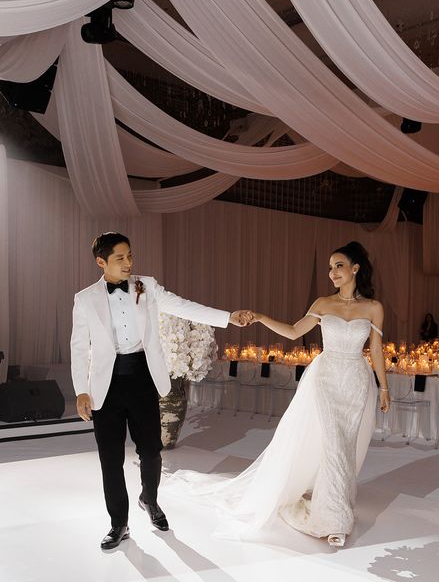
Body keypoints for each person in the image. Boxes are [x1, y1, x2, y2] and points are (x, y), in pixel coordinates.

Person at [167, 241, 390, 548]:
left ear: (355, 268)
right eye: (329, 267)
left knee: (345, 444)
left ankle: (331, 505)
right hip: (326, 377)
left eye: (338, 265)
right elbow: (293, 332)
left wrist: (384, 387)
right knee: (334, 443)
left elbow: (376, 349)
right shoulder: (323, 304)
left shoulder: (374, 308)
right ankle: (335, 521)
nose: (332, 273)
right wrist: (260, 317)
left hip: (356, 380)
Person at [71, 232, 252, 550]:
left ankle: (149, 500)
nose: (128, 263)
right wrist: (81, 391)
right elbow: (78, 347)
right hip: (105, 386)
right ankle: (119, 524)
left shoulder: (145, 286)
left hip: (142, 378)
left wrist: (227, 318)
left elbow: (184, 307)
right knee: (110, 459)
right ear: (102, 262)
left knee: (151, 450)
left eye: (130, 256)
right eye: (120, 258)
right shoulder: (85, 298)